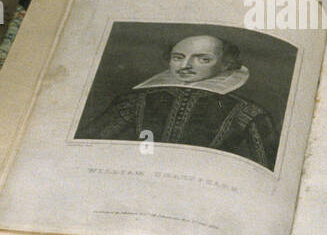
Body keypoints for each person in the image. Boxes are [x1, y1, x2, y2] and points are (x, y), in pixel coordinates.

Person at [76, 34, 279, 170]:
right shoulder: (136, 100)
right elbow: (86, 146)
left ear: (226, 64)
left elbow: (264, 169)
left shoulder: (247, 112)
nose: (186, 65)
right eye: (178, 57)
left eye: (203, 59)